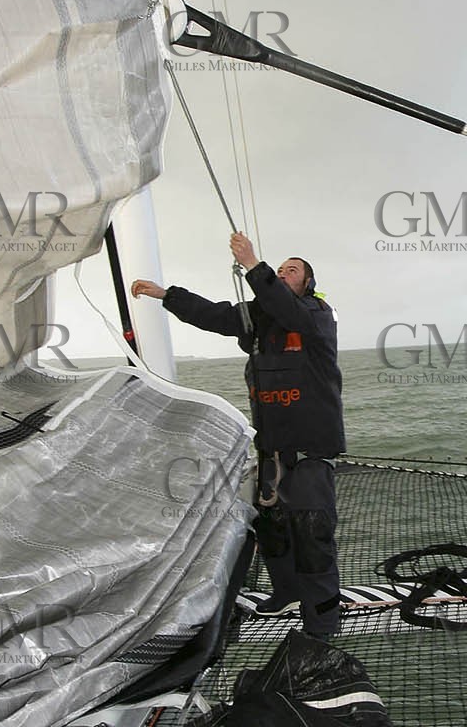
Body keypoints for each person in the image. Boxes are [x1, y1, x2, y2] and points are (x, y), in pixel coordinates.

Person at [132, 232, 345, 639]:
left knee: (312, 534)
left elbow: (292, 313)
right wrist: (165, 294)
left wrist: (253, 265)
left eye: (292, 270)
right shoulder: (259, 315)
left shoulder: (317, 315)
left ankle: (321, 625)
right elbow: (212, 314)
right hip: (271, 451)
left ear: (307, 285)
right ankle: (285, 592)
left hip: (309, 452)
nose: (284, 273)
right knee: (272, 529)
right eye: (279, 269)